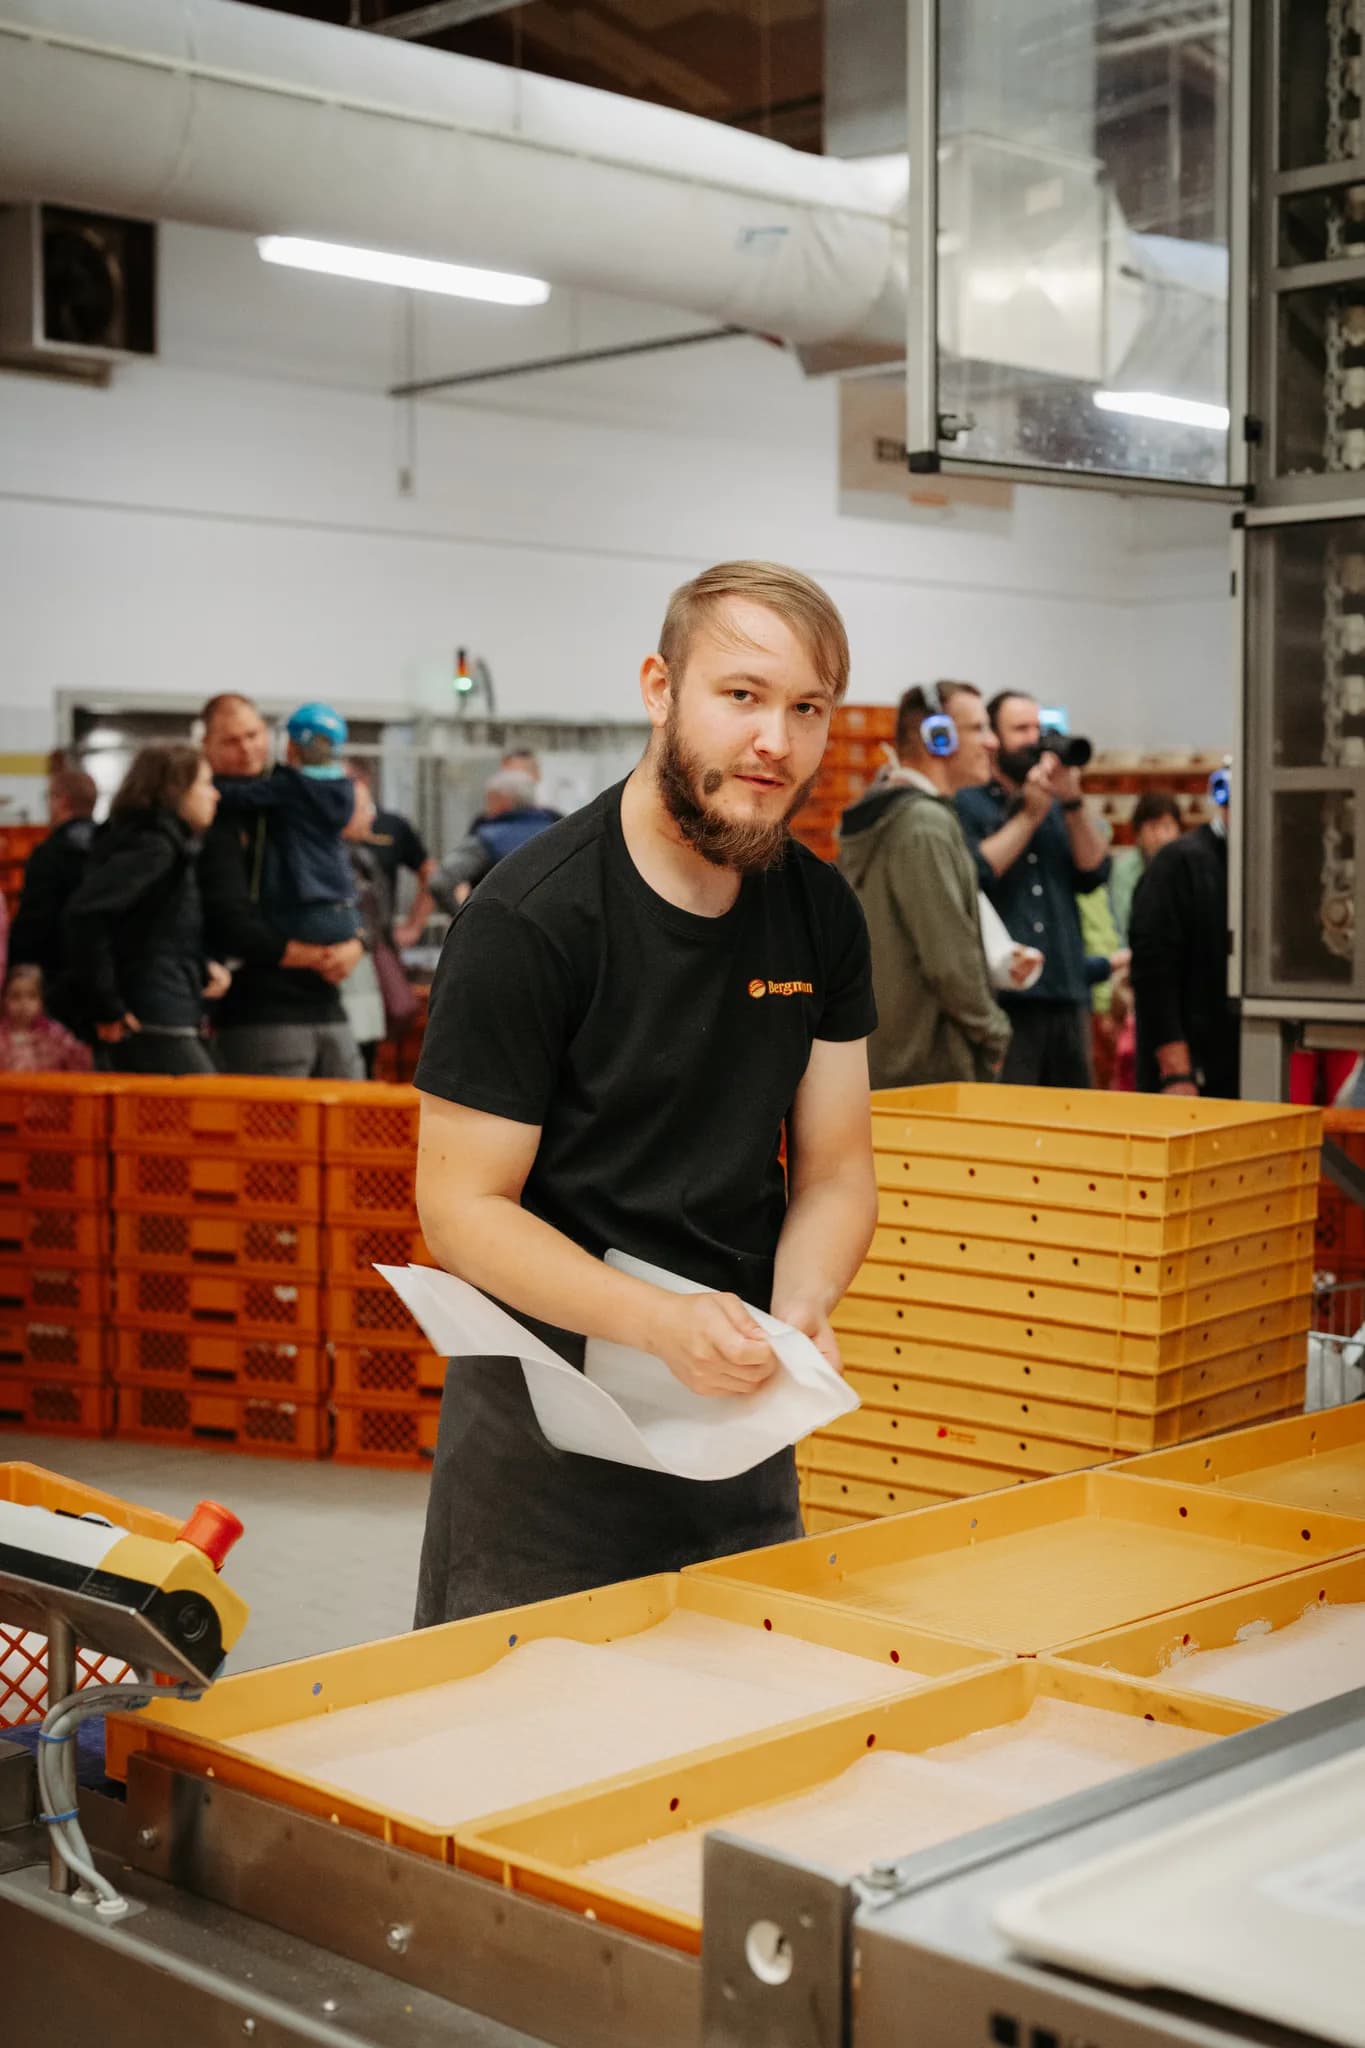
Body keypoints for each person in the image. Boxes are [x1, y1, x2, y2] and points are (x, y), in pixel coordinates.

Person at [412, 558, 878, 1625]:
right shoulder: (531, 918)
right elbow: (461, 1208)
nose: (777, 740)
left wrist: (801, 1307)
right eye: (743, 695)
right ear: (660, 690)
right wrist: (655, 1320)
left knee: (736, 1744)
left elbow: (838, 1169)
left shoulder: (818, 912)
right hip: (546, 1440)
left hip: (738, 1420)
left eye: (807, 707)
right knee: (524, 1755)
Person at [838, 682, 1012, 1087]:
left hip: (901, 1062)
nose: (991, 742)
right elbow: (949, 961)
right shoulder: (924, 826)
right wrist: (995, 1033)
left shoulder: (896, 814)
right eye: (978, 728)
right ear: (938, 737)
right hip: (931, 1069)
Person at [197, 693, 365, 1080]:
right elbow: (228, 918)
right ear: (206, 746)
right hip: (260, 1012)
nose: (246, 749)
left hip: (329, 1006)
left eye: (253, 734)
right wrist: (312, 955)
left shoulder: (296, 789)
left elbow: (348, 881)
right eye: (230, 740)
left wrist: (358, 942)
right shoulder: (214, 811)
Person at [955, 692, 1111, 1088]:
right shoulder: (968, 802)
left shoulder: (1058, 803)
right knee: (1011, 1126)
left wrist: (1072, 802)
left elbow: (1094, 870)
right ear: (995, 738)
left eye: (1038, 728)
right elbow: (974, 873)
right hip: (1007, 1000)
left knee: (1076, 1124)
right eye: (1020, 729)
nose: (1034, 738)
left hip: (1067, 992)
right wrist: (1028, 817)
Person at [62, 742, 228, 1075]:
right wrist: (107, 1005)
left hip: (164, 1005)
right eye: (205, 784)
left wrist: (200, 966)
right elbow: (86, 914)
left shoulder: (165, 843)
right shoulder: (154, 846)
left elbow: (150, 927)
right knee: (204, 1108)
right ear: (177, 791)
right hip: (152, 1016)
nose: (216, 795)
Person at [213, 702, 359, 946]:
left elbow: (237, 796)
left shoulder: (290, 786)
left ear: (293, 746)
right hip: (343, 909)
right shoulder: (343, 787)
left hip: (303, 907)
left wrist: (200, 781)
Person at [1129, 779, 1238, 1099]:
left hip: (1242, 1058)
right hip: (1190, 1070)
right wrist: (1176, 1070)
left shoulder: (1264, 862)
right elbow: (1152, 970)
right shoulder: (1180, 862)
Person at [8, 769, 99, 1026]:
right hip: (102, 984)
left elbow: (35, 922)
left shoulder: (49, 855)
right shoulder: (112, 850)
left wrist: (16, 970)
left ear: (61, 800)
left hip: (57, 983)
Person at [429, 768, 562, 912]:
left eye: (490, 799)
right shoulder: (560, 833)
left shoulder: (486, 839)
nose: (486, 806)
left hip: (498, 928)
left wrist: (464, 920)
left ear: (503, 799)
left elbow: (440, 883)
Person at [1109, 791, 1183, 942]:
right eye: (1153, 827)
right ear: (1138, 833)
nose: (1161, 836)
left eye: (1167, 827)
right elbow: (1122, 920)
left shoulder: (1188, 867)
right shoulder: (1123, 869)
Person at [0, 964, 92, 1073]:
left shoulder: (56, 1035)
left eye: (32, 996)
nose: (23, 1004)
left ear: (41, 1000)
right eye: (16, 996)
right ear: (4, 999)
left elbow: (81, 1067)